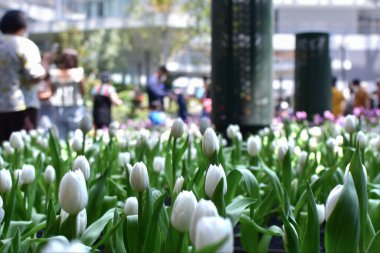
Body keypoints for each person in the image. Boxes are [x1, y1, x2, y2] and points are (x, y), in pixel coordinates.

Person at [0, 10, 46, 142]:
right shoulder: (24, 45)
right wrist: (46, 65)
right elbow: (34, 76)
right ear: (22, 26)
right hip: (20, 106)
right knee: (24, 152)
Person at [45, 48, 86, 138]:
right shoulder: (78, 72)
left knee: (60, 135)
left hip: (57, 106)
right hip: (74, 106)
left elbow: (52, 90)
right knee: (76, 134)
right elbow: (82, 91)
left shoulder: (54, 73)